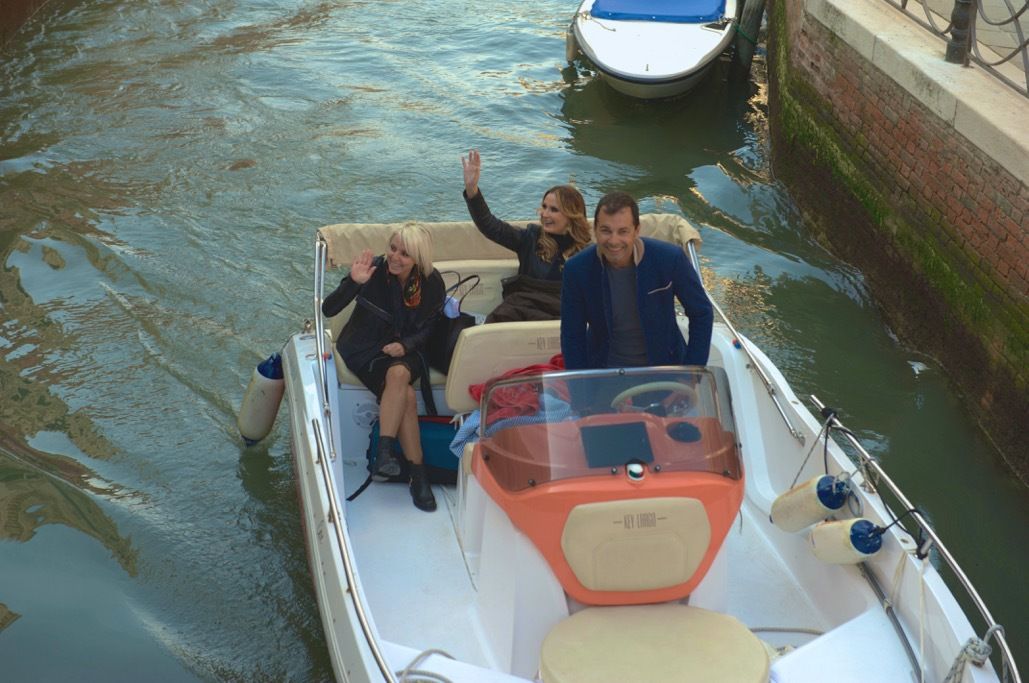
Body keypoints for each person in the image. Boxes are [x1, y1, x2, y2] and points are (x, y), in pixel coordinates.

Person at [321, 224, 444, 512]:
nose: (395, 257)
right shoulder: (374, 270)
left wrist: (406, 345)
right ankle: (418, 475)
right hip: (365, 348)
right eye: (393, 248)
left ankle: (384, 453)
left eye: (405, 254)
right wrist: (353, 282)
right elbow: (329, 309)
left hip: (406, 351)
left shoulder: (431, 282)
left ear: (418, 259)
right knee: (407, 395)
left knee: (399, 373)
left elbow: (430, 328)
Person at [560, 191, 714, 372]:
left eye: (623, 231)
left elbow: (701, 312)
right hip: (604, 371)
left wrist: (692, 372)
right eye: (606, 231)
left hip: (665, 368)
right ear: (595, 230)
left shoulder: (670, 259)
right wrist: (580, 383)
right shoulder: (576, 269)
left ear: (637, 231)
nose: (614, 241)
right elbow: (572, 334)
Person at [462, 149, 592, 321]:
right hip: (521, 316)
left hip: (559, 322)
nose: (545, 214)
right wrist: (472, 191)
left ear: (572, 216)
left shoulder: (588, 253)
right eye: (544, 207)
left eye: (553, 209)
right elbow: (490, 226)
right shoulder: (530, 238)